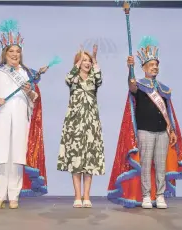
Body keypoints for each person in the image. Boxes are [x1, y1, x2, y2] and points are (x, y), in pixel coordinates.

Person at [0, 20, 48, 209]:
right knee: (1, 155)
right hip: (1, 117)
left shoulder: (27, 73)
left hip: (20, 117)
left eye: (17, 52)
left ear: (21, 54)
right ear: (5, 53)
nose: (14, 55)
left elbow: (35, 98)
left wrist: (29, 90)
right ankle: (0, 194)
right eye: (11, 52)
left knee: (17, 156)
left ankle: (14, 196)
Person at [107, 36, 182, 209]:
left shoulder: (163, 89)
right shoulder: (138, 85)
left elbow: (169, 113)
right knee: (145, 164)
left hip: (162, 132)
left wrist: (172, 132)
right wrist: (129, 68)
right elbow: (131, 86)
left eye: (156, 65)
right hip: (144, 131)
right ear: (144, 68)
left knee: (161, 164)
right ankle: (146, 196)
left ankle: (159, 195)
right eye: (151, 65)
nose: (155, 67)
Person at [57, 45, 105, 208]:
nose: (87, 63)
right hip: (75, 123)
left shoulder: (94, 78)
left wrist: (95, 61)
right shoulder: (74, 78)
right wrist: (77, 63)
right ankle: (77, 195)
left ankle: (86, 196)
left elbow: (99, 79)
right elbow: (68, 79)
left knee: (89, 160)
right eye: (84, 60)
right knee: (76, 160)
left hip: (91, 123)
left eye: (89, 60)